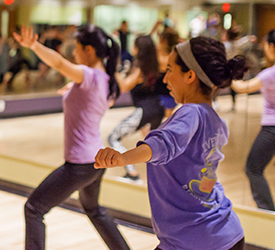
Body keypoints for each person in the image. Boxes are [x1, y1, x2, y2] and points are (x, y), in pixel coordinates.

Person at [95, 36, 247, 250]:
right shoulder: (215, 120)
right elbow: (206, 175)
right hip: (226, 234)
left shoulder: (190, 112)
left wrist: (122, 158)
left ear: (190, 76)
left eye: (169, 70)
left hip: (196, 242)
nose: (165, 79)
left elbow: (163, 145)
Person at [13, 25, 130, 250]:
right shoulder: (106, 80)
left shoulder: (88, 75)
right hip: (96, 161)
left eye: (76, 49)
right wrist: (75, 86)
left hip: (80, 164)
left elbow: (58, 63)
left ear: (89, 50)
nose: (73, 53)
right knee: (94, 209)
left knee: (34, 208)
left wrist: (34, 45)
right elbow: (91, 97)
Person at [108, 35, 167, 182]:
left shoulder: (141, 68)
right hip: (158, 108)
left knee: (113, 138)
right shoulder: (155, 65)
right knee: (152, 145)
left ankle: (132, 173)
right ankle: (163, 177)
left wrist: (113, 69)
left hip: (144, 110)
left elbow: (124, 86)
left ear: (138, 49)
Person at [231, 29, 275, 211]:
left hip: (272, 127)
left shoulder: (270, 74)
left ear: (272, 47)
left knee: (253, 168)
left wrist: (229, 73)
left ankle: (268, 213)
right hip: (269, 127)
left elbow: (242, 87)